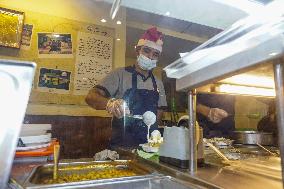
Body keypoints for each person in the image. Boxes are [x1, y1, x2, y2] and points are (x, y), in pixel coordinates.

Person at [85, 27, 167, 148]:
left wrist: (156, 139)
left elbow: (159, 113)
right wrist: (110, 104)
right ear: (137, 51)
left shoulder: (158, 83)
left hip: (149, 146)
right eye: (146, 51)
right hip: (122, 143)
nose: (150, 57)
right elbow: (91, 97)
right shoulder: (119, 74)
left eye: (155, 54)